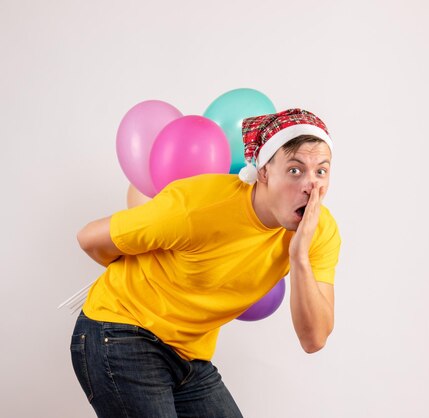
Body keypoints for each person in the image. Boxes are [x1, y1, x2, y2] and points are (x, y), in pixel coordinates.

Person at [70, 108, 341, 418]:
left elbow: (314, 339)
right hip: (119, 332)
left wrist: (299, 256)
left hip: (189, 354)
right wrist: (139, 281)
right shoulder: (198, 206)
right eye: (295, 170)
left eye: (321, 171)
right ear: (264, 171)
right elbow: (89, 238)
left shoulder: (320, 231)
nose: (311, 184)